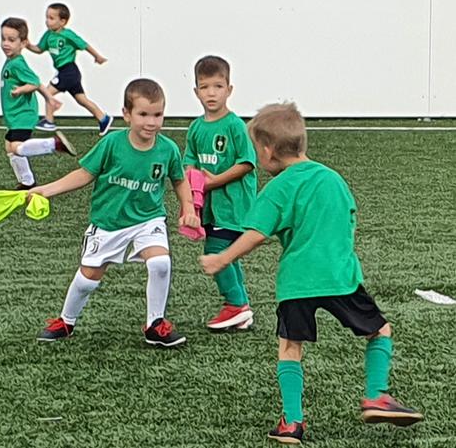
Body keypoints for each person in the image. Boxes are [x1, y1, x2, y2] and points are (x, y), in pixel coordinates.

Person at [200, 103, 423, 444]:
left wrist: (222, 259)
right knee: (380, 330)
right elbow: (349, 222)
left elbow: (256, 234)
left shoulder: (277, 189)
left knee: (290, 346)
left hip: (297, 282)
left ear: (267, 150)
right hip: (339, 277)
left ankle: (292, 423)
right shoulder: (333, 179)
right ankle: (376, 395)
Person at [31, 78, 200, 347]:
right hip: (109, 222)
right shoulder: (112, 144)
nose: (151, 122)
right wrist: (46, 190)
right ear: (126, 114)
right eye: (143, 114)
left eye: (157, 115)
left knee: (160, 263)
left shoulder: (167, 149)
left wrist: (188, 208)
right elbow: (84, 174)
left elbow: (179, 180)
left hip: (148, 219)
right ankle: (66, 321)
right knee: (87, 280)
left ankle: (155, 325)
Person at [183, 55, 257, 331]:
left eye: (218, 86)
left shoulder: (235, 125)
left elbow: (247, 163)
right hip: (210, 206)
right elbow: (189, 162)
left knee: (216, 250)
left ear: (229, 89)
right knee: (227, 252)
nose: (211, 93)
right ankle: (242, 308)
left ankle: (235, 304)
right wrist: (192, 191)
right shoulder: (196, 127)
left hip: (233, 205)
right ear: (196, 91)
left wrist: (213, 182)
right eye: (205, 87)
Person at [0, 17, 76, 190]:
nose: (6, 44)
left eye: (11, 40)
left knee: (16, 147)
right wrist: (50, 98)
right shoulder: (11, 61)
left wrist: (21, 90)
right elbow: (38, 82)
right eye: (3, 39)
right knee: (9, 147)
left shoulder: (18, 63)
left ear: (23, 43)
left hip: (23, 115)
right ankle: (27, 182)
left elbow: (33, 83)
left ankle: (54, 144)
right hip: (15, 115)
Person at [27, 2, 113, 136]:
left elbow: (84, 45)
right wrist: (27, 45)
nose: (47, 21)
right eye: (47, 17)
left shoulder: (68, 35)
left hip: (69, 71)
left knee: (47, 92)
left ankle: (49, 121)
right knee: (81, 99)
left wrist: (97, 56)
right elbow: (39, 49)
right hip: (64, 72)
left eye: (51, 18)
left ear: (63, 21)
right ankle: (103, 118)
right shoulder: (48, 35)